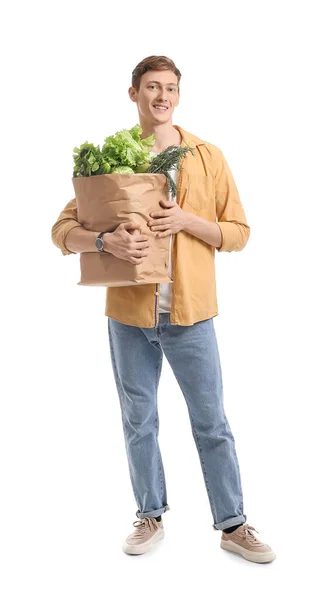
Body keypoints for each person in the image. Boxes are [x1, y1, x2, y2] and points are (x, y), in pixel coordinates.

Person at [51, 55, 276, 563]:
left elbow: (238, 233)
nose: (162, 96)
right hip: (128, 317)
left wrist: (185, 221)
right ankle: (149, 515)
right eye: (152, 87)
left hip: (191, 315)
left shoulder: (206, 156)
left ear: (178, 95)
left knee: (211, 422)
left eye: (170, 88)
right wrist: (105, 242)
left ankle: (233, 524)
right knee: (139, 420)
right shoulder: (111, 156)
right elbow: (62, 233)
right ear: (133, 93)